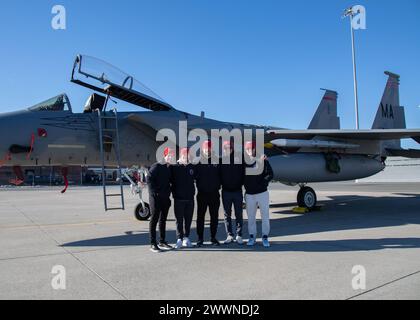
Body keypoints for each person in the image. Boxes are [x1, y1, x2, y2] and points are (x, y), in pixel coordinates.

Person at [243, 141, 273, 248]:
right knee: (251, 217)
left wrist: (262, 184)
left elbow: (270, 174)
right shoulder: (243, 162)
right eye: (247, 149)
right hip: (250, 194)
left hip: (262, 193)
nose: (249, 151)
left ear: (255, 149)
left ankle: (265, 237)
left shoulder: (262, 159)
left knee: (265, 216)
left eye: (251, 149)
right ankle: (252, 237)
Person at [147, 147, 174, 253]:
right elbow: (149, 178)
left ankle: (162, 241)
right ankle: (153, 243)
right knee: (154, 220)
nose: (171, 157)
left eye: (172, 155)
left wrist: (169, 191)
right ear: (165, 155)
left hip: (165, 198)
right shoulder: (157, 166)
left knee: (163, 220)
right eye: (169, 155)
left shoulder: (169, 168)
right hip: (155, 198)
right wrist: (154, 193)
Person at [194, 140, 221, 246]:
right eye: (206, 148)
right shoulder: (198, 161)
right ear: (202, 149)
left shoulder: (217, 161)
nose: (207, 150)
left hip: (214, 194)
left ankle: (213, 237)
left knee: (214, 217)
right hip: (202, 194)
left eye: (209, 148)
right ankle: (200, 238)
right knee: (200, 217)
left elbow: (222, 175)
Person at [170, 147, 196, 249]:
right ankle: (179, 239)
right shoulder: (175, 167)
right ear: (181, 156)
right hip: (179, 199)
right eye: (185, 155)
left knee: (188, 220)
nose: (187, 157)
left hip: (190, 199)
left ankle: (186, 238)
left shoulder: (192, 167)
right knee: (179, 220)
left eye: (188, 156)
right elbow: (168, 180)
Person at [220, 141, 245, 245]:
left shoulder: (239, 158)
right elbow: (218, 175)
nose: (227, 148)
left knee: (239, 214)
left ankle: (239, 235)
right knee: (227, 215)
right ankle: (229, 235)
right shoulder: (221, 160)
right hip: (226, 191)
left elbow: (245, 172)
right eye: (225, 147)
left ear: (232, 147)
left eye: (229, 147)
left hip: (237, 191)